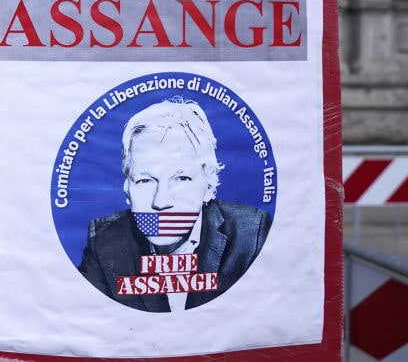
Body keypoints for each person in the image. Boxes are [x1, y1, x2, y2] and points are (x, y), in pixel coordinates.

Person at [77, 96, 271, 311]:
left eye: (181, 178)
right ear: (127, 189)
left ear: (208, 185)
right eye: (144, 180)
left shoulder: (251, 234)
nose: (161, 201)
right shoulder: (104, 241)